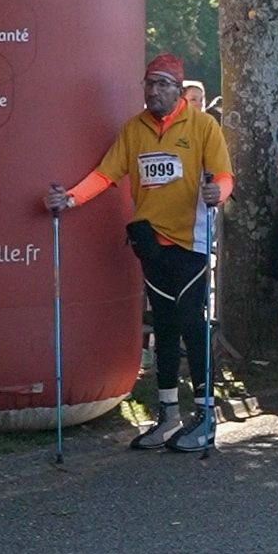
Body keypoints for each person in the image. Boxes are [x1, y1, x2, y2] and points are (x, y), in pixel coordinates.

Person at [46, 55, 232, 454]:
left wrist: (218, 192)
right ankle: (168, 414)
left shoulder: (203, 126)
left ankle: (205, 415)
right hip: (150, 243)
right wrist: (70, 199)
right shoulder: (134, 130)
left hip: (191, 242)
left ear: (179, 91)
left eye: (163, 84)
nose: (154, 91)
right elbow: (106, 174)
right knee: (163, 326)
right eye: (149, 83)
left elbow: (223, 175)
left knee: (191, 324)